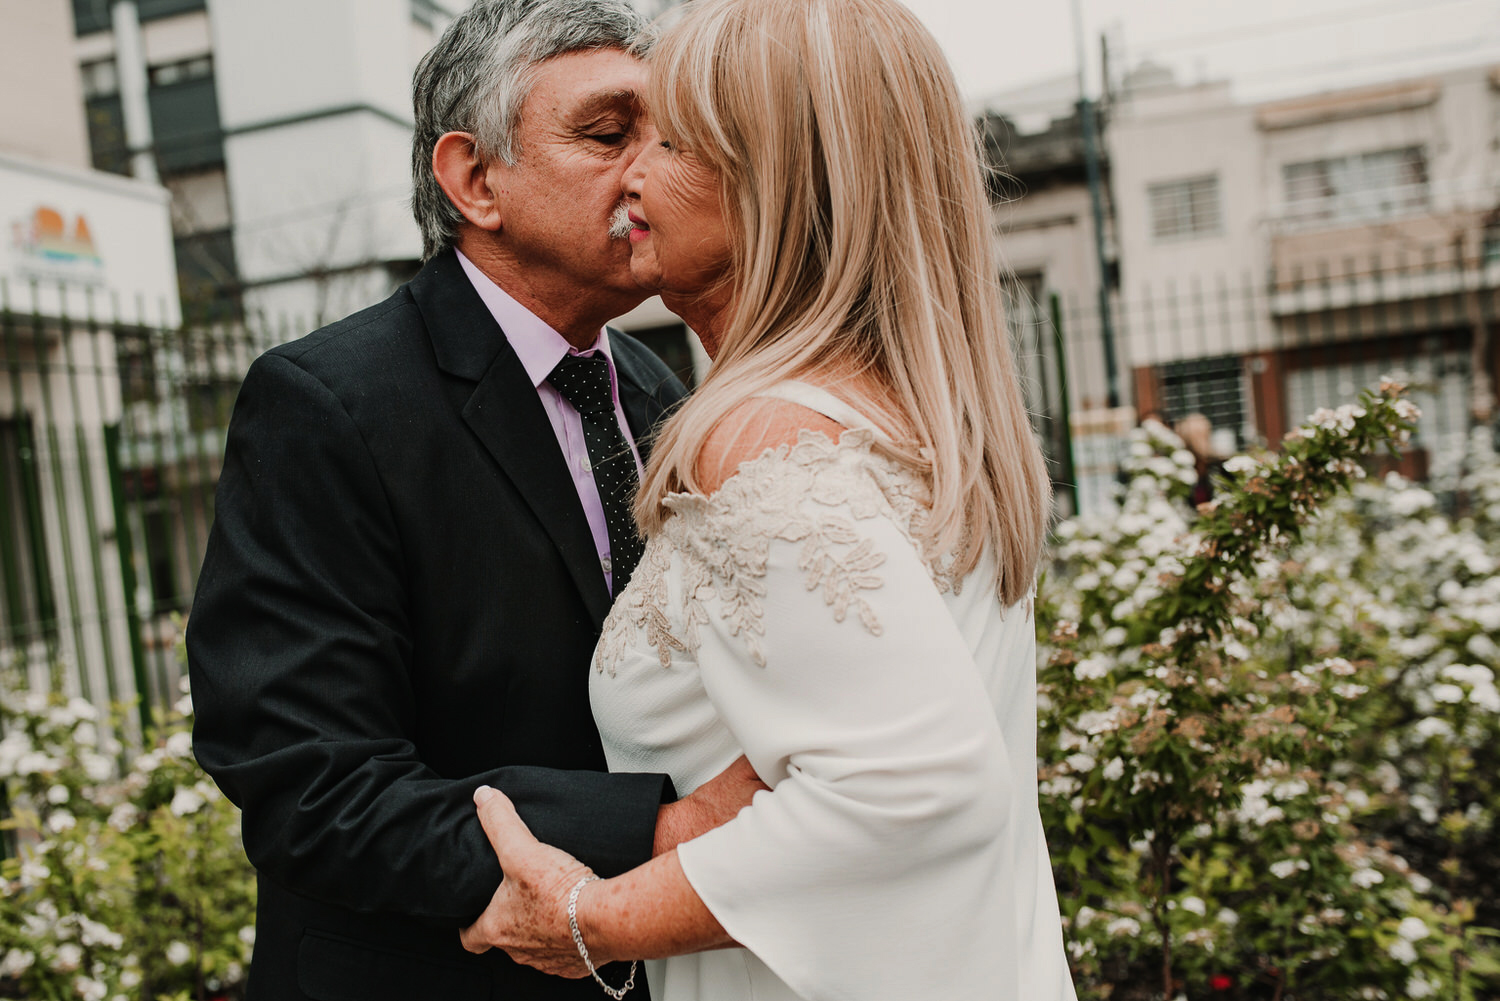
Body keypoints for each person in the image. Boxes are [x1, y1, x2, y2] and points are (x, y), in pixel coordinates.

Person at [456, 0, 1079, 998]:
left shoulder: (764, 436)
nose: (635, 173)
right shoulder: (920, 419)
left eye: (672, 141)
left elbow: (914, 785)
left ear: (776, 182)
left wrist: (591, 920)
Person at [185, 3, 763, 999]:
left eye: (667, 138)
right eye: (608, 133)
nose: (652, 172)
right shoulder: (326, 404)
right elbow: (307, 778)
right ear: (474, 180)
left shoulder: (660, 393)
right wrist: (662, 833)